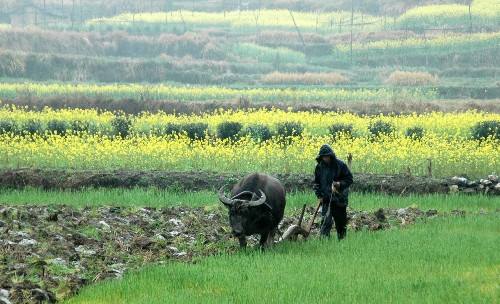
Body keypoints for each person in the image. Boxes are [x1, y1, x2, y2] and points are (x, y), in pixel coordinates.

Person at [313, 144, 353, 240]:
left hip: (339, 199)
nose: (325, 158)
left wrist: (339, 184)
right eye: (323, 157)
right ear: (321, 157)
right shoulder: (319, 167)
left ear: (331, 155)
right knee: (325, 223)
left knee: (341, 224)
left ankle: (342, 241)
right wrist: (319, 195)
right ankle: (324, 243)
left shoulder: (340, 165)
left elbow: (349, 179)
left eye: (327, 156)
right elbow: (316, 183)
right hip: (326, 200)